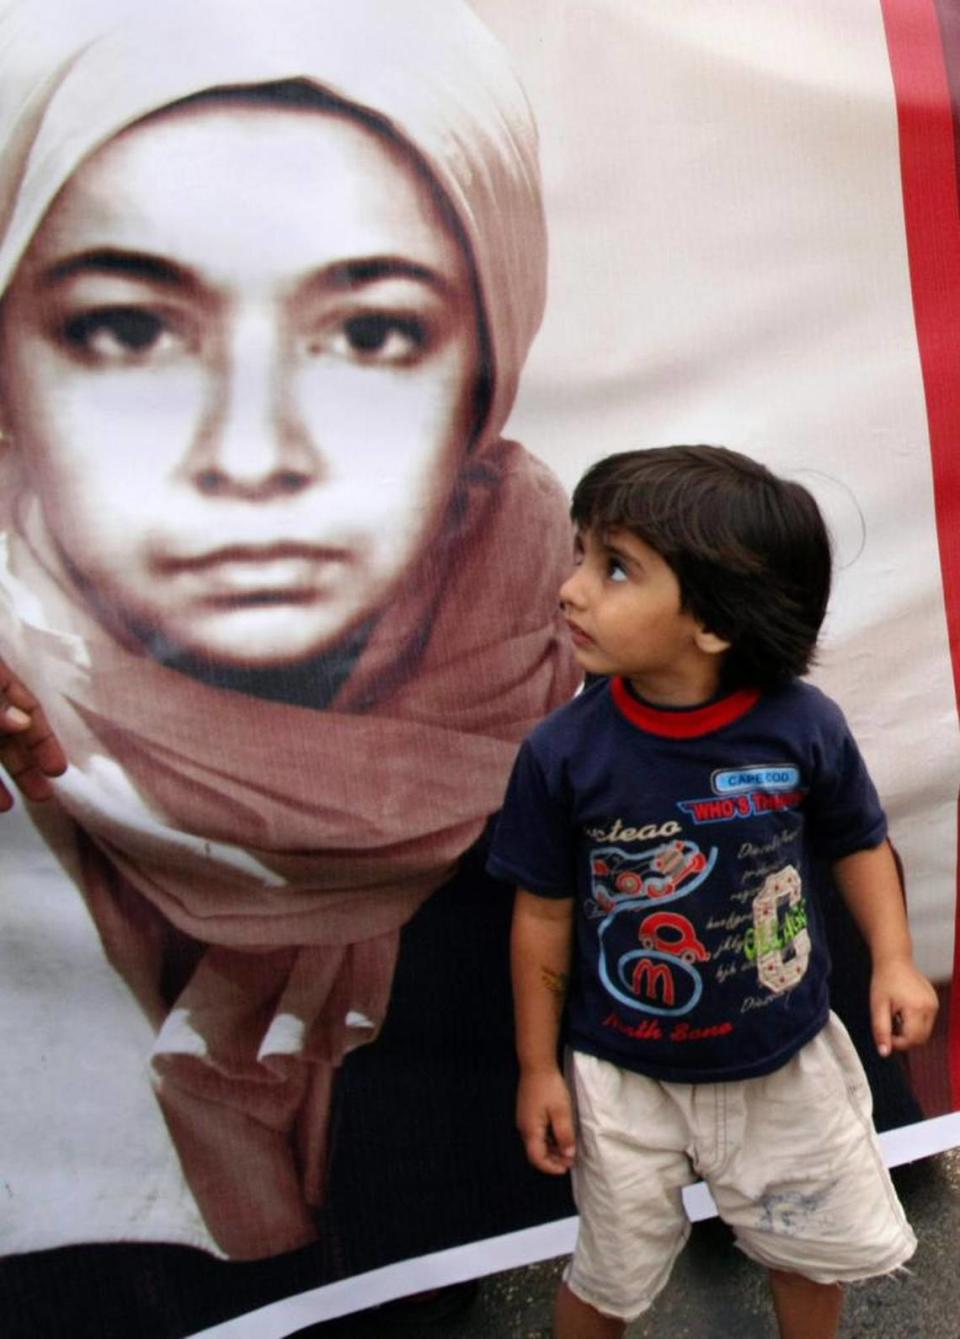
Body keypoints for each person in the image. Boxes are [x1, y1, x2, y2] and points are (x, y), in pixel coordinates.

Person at [0, 0, 579, 1281]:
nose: (255, 456)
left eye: (370, 334)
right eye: (127, 328)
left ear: (483, 373)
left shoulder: (618, 758)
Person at [488, 445, 939, 1339]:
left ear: (714, 625)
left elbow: (858, 839)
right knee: (609, 1271)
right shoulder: (562, 754)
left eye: (614, 567)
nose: (572, 588)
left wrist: (895, 959)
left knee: (810, 1250)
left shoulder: (802, 727)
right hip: (622, 1075)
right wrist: (540, 1068)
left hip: (786, 1060)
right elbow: (542, 910)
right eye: (581, 554)